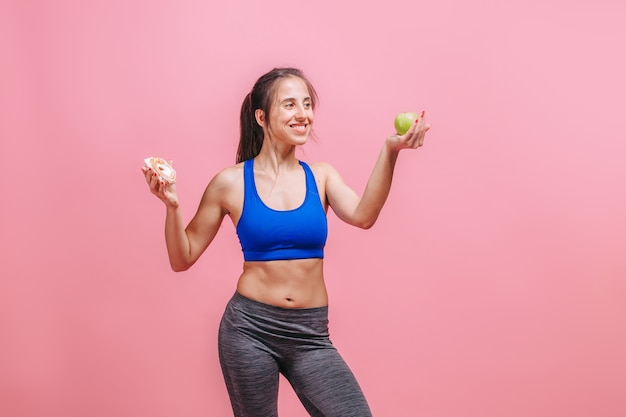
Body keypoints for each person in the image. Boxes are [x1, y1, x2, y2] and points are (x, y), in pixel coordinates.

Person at [141, 67, 430, 417]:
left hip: (310, 335)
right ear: (261, 117)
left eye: (307, 104)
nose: (303, 114)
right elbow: (181, 257)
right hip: (249, 330)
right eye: (290, 104)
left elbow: (363, 215)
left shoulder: (321, 176)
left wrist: (391, 149)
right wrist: (172, 206)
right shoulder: (230, 183)